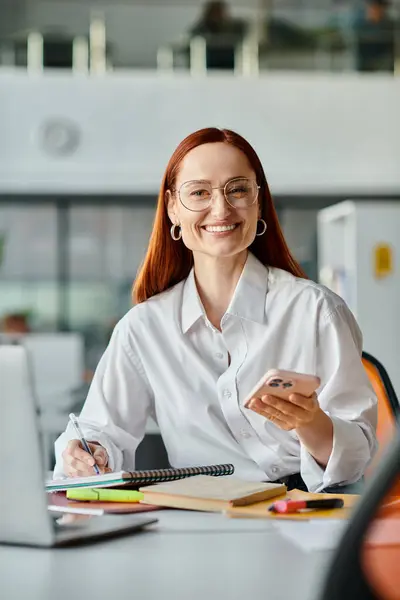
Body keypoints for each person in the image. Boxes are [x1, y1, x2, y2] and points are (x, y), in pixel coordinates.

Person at [55, 127, 377, 493]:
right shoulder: (144, 327)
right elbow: (101, 431)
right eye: (199, 193)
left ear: (258, 202)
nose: (221, 208)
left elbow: (359, 456)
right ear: (173, 208)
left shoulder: (315, 310)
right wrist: (87, 452)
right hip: (197, 516)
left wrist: (311, 422)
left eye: (238, 189)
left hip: (304, 515)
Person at [189, 1, 248, 69]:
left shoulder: (234, 27)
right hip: (209, 63)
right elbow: (193, 36)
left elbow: (242, 32)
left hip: (230, 63)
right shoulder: (202, 27)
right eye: (214, 13)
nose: (217, 16)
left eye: (219, 12)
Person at [353, 0, 395, 72]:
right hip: (365, 65)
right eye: (372, 8)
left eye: (376, 8)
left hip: (384, 65)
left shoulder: (389, 26)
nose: (373, 11)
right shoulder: (361, 26)